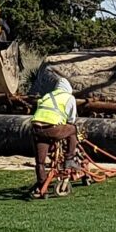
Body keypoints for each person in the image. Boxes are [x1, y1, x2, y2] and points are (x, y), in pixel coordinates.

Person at [28, 70, 79, 198]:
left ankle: (42, 185)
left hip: (36, 129)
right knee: (73, 129)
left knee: (40, 162)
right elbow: (72, 119)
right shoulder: (69, 97)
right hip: (52, 129)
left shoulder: (47, 96)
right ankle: (69, 159)